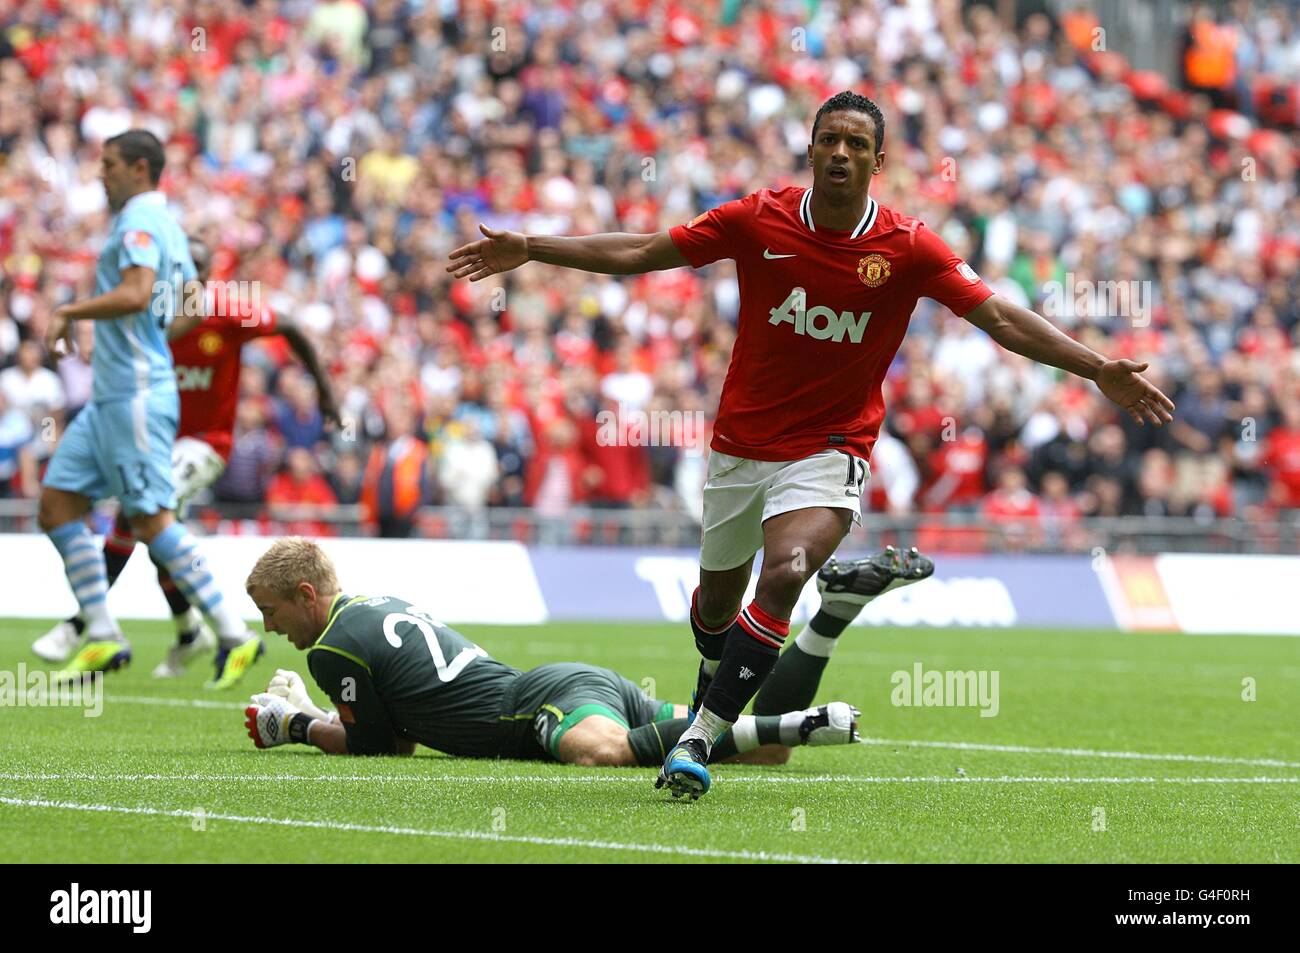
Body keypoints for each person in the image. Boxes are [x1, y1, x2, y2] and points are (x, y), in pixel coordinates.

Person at [446, 90, 1176, 798]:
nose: (841, 152)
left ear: (877, 161)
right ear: (811, 148)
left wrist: (1096, 367)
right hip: (740, 446)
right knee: (715, 611)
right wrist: (534, 246)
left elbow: (1002, 318)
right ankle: (713, 688)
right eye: (830, 139)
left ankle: (699, 735)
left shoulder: (908, 246)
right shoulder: (757, 219)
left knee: (788, 568)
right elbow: (644, 249)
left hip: (832, 446)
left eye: (857, 144)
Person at [242, 538, 931, 785]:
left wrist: (297, 723)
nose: (270, 627)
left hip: (535, 706)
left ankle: (796, 721)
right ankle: (832, 615)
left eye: (272, 610)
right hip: (572, 684)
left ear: (307, 594)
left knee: (600, 756)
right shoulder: (370, 603)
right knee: (760, 752)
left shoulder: (333, 647)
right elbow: (398, 724)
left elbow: (381, 749)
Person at [33, 236, 341, 678]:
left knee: (138, 512)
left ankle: (81, 624)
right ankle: (188, 633)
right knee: (159, 538)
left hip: (206, 445)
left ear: (208, 275)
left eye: (196, 270)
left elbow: (290, 326)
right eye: (179, 268)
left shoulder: (229, 312)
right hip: (154, 445)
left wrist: (326, 394)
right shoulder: (150, 319)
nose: (186, 278)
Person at [36, 130, 262, 688]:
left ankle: (233, 632)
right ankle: (103, 632)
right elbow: (185, 303)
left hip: (135, 395)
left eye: (108, 164)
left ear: (139, 168)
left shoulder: (139, 223)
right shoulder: (168, 225)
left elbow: (138, 293)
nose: (99, 173)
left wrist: (70, 310)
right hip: (112, 394)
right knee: (57, 504)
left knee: (150, 518)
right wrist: (152, 337)